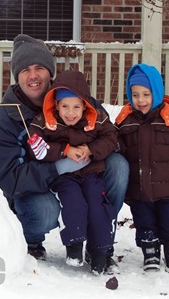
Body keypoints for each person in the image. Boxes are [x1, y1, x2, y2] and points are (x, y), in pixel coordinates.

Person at [0, 34, 129, 273]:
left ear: (50, 72)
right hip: (35, 189)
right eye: (25, 70)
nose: (33, 76)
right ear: (17, 76)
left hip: (84, 175)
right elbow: (9, 179)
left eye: (39, 68)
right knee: (46, 210)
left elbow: (110, 136)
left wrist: (91, 150)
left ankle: (101, 239)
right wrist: (59, 165)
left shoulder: (72, 96)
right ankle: (30, 239)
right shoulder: (8, 117)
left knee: (118, 166)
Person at [27, 70, 118, 275]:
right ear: (56, 105)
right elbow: (36, 147)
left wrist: (91, 150)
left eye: (76, 106)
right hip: (64, 177)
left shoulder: (96, 118)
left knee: (97, 205)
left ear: (85, 105)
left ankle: (100, 252)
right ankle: (75, 245)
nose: (70, 113)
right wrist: (64, 150)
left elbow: (111, 137)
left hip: (91, 173)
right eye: (65, 106)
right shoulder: (45, 121)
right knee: (73, 202)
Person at [115, 63, 169, 275]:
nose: (140, 100)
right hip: (140, 189)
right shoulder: (125, 123)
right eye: (135, 95)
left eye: (146, 94)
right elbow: (118, 150)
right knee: (145, 221)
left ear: (157, 93)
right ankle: (150, 251)